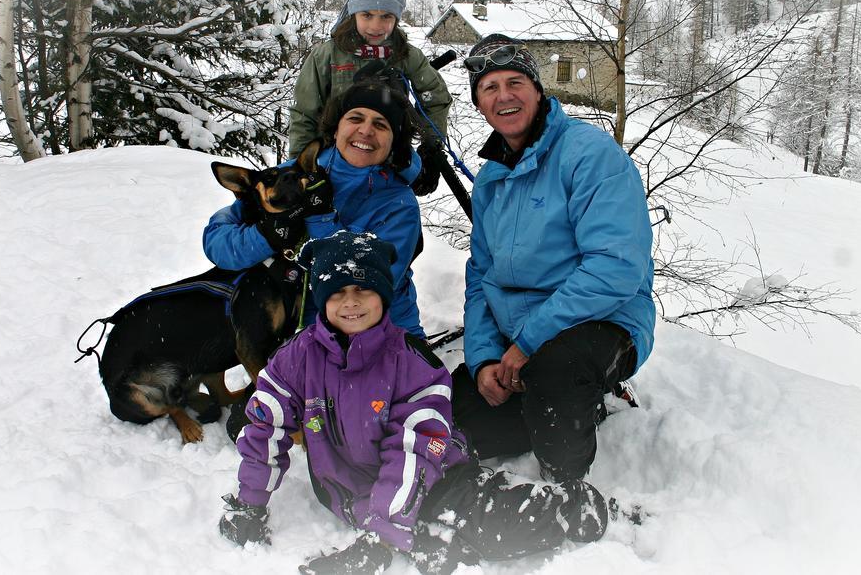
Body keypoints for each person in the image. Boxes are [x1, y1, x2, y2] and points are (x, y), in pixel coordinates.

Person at [218, 231, 609, 575]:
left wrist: (382, 536)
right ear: (320, 299)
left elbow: (416, 449)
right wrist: (249, 503)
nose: (350, 303)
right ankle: (419, 531)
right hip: (353, 493)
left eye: (363, 290)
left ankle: (572, 506)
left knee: (495, 527)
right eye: (337, 292)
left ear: (383, 295)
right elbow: (266, 428)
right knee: (433, 531)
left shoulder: (411, 364)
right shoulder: (297, 357)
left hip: (434, 476)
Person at [453, 34, 656, 484]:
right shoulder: (491, 180)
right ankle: (552, 407)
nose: (504, 96)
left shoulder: (589, 154)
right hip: (519, 341)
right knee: (459, 410)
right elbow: (481, 276)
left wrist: (527, 344)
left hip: (604, 321)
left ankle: (564, 482)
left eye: (515, 82)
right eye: (489, 88)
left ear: (538, 89)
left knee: (554, 371)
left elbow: (616, 267)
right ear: (479, 104)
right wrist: (485, 359)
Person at [203, 79, 426, 337]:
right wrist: (266, 235)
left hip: (381, 332)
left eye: (380, 125)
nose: (365, 131)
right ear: (336, 128)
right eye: (355, 118)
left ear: (394, 141)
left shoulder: (398, 203)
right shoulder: (295, 173)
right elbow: (217, 240)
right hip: (294, 329)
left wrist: (321, 220)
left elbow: (364, 291)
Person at [288, 0, 452, 194]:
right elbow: (304, 113)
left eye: (386, 16)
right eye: (367, 15)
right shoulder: (327, 55)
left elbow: (435, 97)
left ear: (396, 18)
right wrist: (301, 168)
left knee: (393, 217)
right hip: (336, 162)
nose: (376, 26)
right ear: (353, 13)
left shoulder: (406, 56)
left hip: (390, 160)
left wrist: (431, 147)